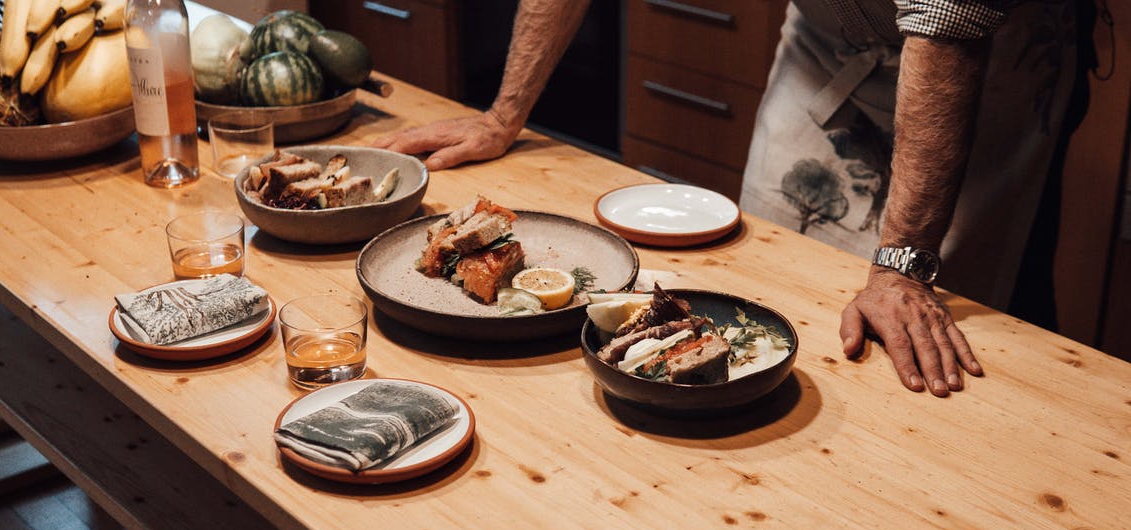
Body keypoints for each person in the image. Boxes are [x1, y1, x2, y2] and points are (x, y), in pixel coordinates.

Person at [373, 0, 1077, 397]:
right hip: (832, 37)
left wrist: (899, 266)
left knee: (931, 339)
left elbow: (948, 23)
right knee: (761, 313)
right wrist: (505, 114)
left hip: (983, 57)